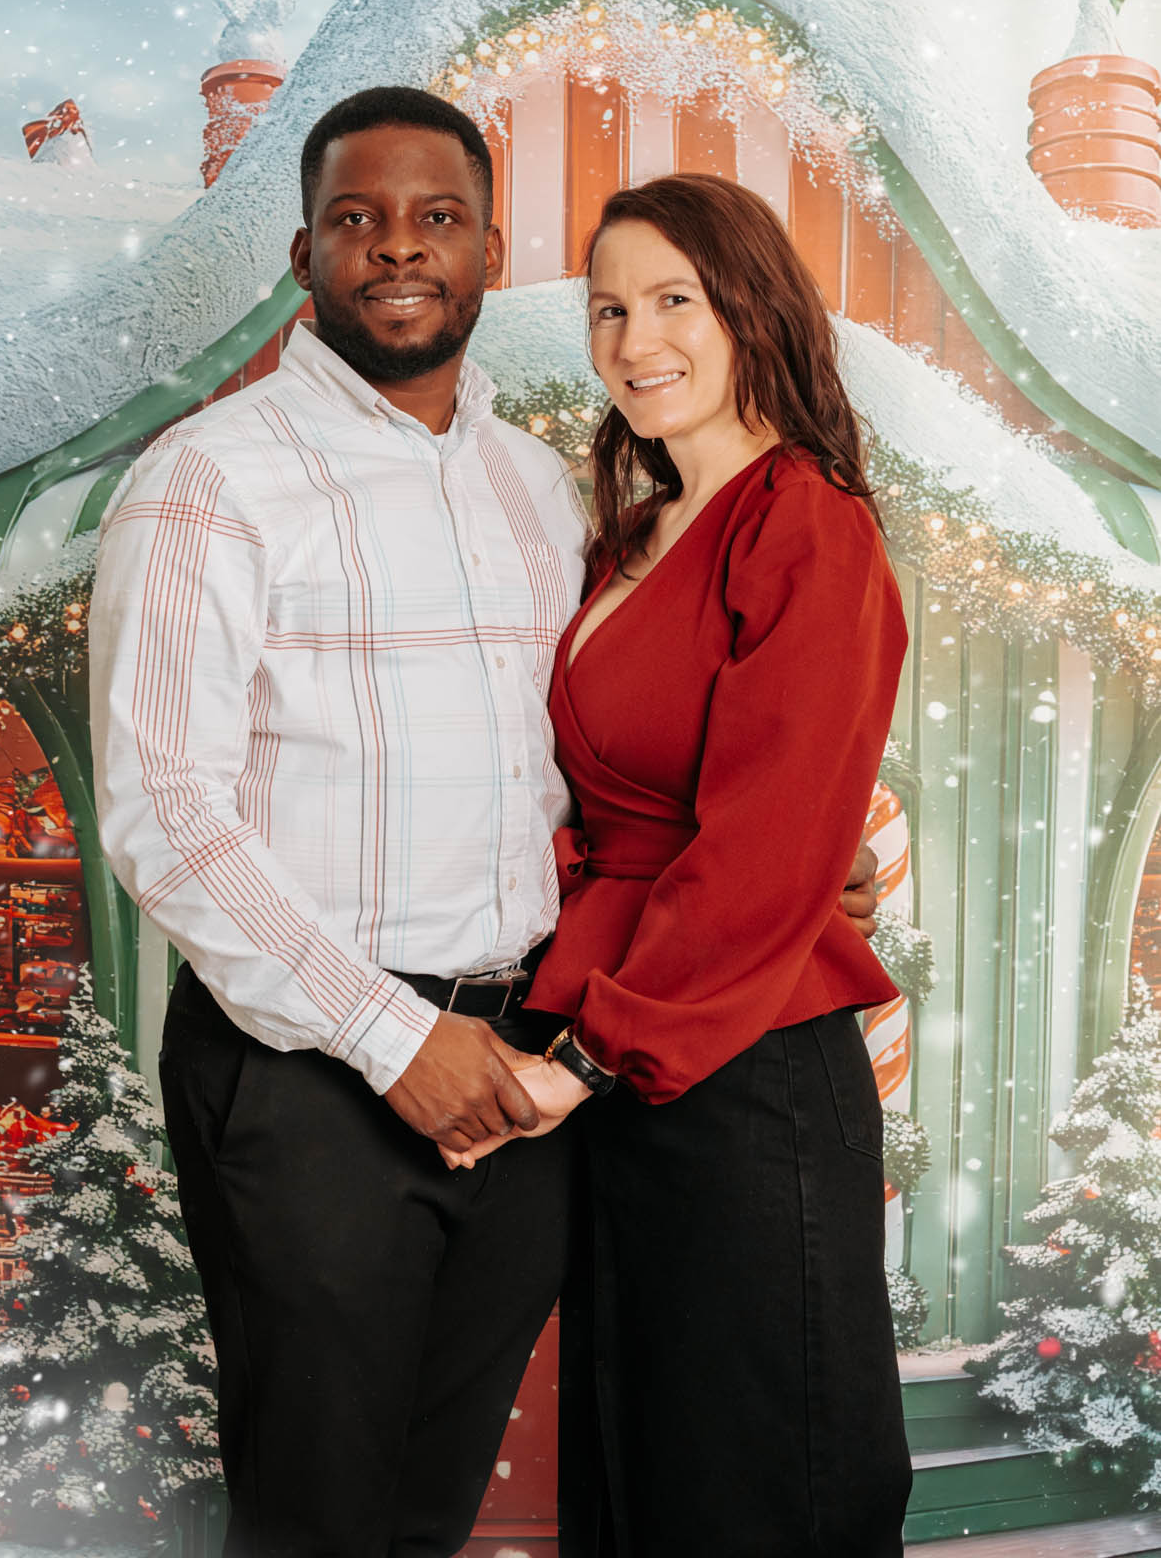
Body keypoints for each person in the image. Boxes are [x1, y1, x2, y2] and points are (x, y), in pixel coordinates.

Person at [88, 91, 884, 1558]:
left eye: (436, 217)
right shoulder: (209, 480)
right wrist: (399, 1040)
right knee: (318, 1516)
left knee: (440, 1504)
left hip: (528, 1068)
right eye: (357, 219)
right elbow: (166, 814)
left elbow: (638, 777)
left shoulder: (544, 488)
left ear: (486, 251)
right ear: (303, 253)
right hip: (314, 1073)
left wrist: (793, 873)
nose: (399, 249)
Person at [451, 172, 914, 1557]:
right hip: (619, 1043)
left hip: (741, 1068)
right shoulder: (628, 541)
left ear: (750, 308)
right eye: (608, 308)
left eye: (674, 300)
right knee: (638, 1466)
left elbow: (769, 839)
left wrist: (591, 1058)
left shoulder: (805, 521)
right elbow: (575, 806)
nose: (633, 339)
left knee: (753, 1482)